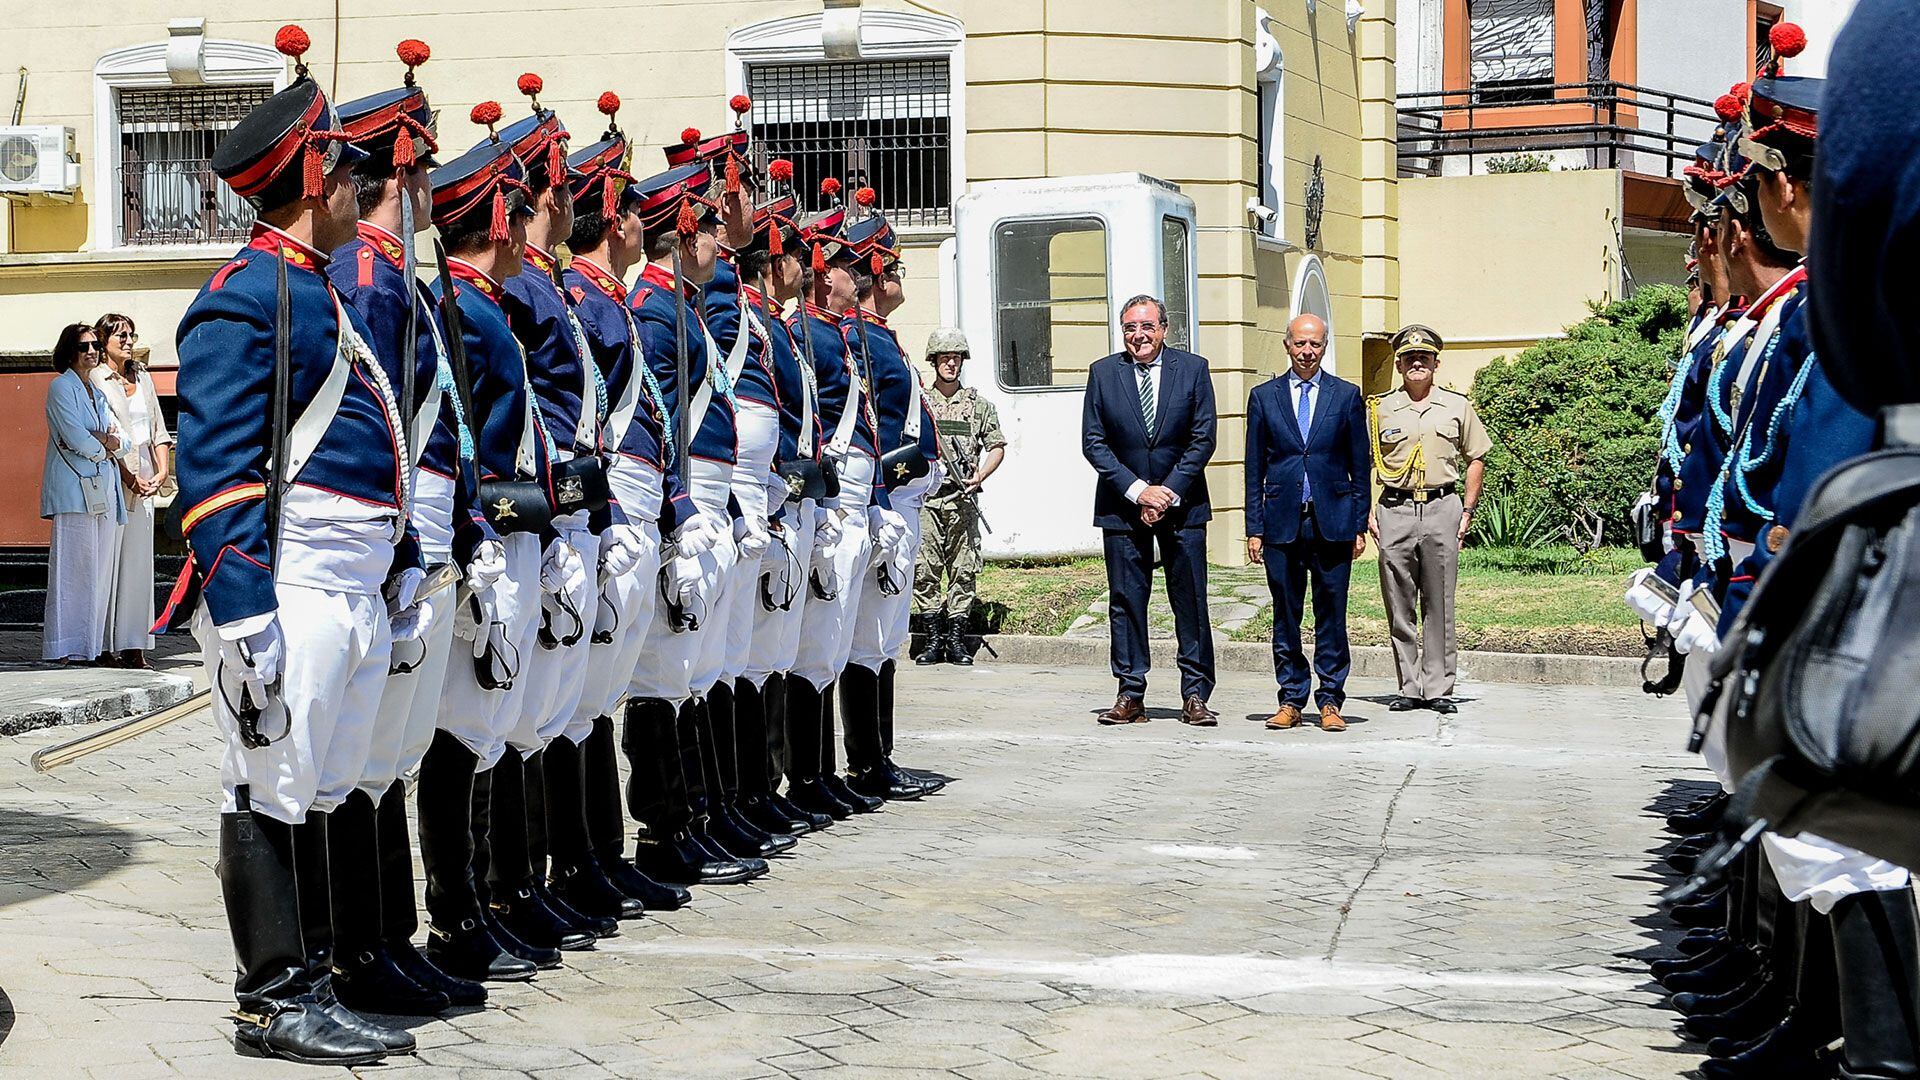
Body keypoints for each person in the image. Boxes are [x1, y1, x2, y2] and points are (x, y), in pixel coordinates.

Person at [172, 25, 422, 1064]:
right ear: (313, 175)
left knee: (318, 783)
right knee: (267, 783)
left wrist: (401, 560)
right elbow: (215, 474)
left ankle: (317, 974)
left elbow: (383, 438)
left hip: (351, 573)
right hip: (293, 576)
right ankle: (273, 999)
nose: (360, 185)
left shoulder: (313, 284)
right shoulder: (246, 295)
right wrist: (245, 611)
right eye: (346, 167)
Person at [840, 200, 945, 801]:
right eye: (893, 263)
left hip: (902, 499)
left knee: (883, 636)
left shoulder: (881, 336)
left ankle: (878, 753)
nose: (899, 274)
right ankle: (867, 759)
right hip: (885, 498)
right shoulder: (863, 336)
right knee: (869, 636)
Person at [1082, 294, 1218, 727]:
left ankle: (1195, 694)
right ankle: (1130, 692)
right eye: (1129, 328)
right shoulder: (1103, 373)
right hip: (1122, 508)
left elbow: (1203, 438)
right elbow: (1094, 442)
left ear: (1164, 328)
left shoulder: (1193, 370)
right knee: (1125, 601)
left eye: (1146, 326)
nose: (1138, 336)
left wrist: (1167, 492)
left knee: (1191, 601)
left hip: (1183, 506)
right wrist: (1139, 491)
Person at [1244, 313, 1370, 732]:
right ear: (1287, 346)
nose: (1307, 352)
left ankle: (1331, 699)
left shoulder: (1346, 395)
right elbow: (1253, 467)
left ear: (1324, 346)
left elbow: (1359, 464)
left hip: (1332, 522)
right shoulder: (1264, 397)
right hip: (1282, 523)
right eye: (1300, 344)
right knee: (1286, 614)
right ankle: (1291, 698)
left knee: (1332, 613)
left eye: (1315, 345)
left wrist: (1358, 523)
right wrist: (1254, 526)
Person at [1367, 324, 1490, 715]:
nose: (1416, 363)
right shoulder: (1380, 408)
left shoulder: (1457, 406)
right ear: (1399, 365)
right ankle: (1409, 685)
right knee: (1398, 601)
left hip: (1442, 507)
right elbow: (1365, 463)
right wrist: (1368, 511)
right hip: (1395, 510)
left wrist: (1467, 510)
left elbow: (1477, 457)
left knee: (1439, 602)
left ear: (1436, 363)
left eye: (1424, 358)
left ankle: (1438, 687)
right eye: (1409, 358)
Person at [913, 327, 1006, 666]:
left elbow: (996, 445)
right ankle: (933, 638)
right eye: (944, 358)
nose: (950, 364)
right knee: (925, 570)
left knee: (964, 571)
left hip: (963, 500)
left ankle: (956, 639)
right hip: (927, 499)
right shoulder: (921, 404)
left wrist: (980, 475)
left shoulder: (979, 406)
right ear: (934, 361)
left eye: (956, 358)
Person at [41, 322, 126, 665]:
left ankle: (90, 646)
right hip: (76, 488)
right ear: (69, 352)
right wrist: (104, 443)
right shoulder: (61, 387)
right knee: (72, 568)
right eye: (83, 347)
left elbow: (123, 439)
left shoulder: (100, 393)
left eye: (94, 346)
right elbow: (75, 436)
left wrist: (107, 442)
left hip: (104, 488)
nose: (91, 351)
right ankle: (63, 645)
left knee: (99, 569)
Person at [92, 313, 171, 668]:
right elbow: (101, 434)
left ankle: (134, 643)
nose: (127, 341)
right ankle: (105, 642)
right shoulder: (96, 378)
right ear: (104, 340)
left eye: (131, 335)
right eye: (120, 336)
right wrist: (127, 475)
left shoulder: (142, 376)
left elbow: (157, 429)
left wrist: (163, 469)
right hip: (114, 479)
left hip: (145, 483)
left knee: (139, 563)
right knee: (110, 562)